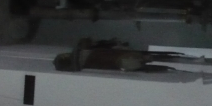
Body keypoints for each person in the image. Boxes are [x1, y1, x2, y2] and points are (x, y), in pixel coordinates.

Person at [53, 38, 189, 72]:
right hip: (118, 57)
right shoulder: (87, 56)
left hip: (117, 57)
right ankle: (172, 60)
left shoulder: (86, 55)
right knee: (148, 59)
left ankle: (172, 60)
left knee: (149, 59)